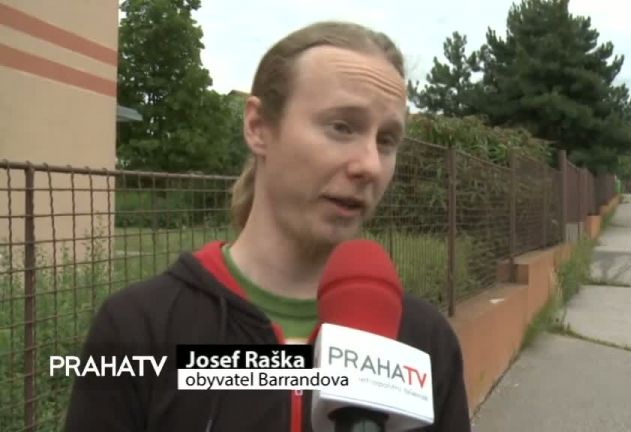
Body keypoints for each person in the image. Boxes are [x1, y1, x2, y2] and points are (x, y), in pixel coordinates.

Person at [64, 21, 471, 431]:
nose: (369, 165)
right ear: (258, 127)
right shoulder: (139, 329)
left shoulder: (424, 341)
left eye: (386, 141)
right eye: (341, 127)